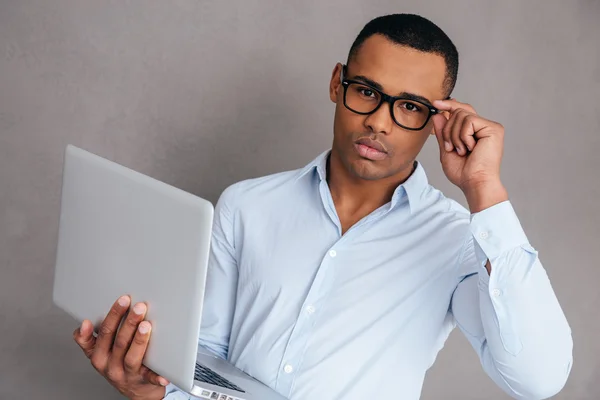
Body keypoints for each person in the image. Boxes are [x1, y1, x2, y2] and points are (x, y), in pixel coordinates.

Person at [73, 13, 573, 400]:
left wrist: (484, 186)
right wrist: (155, 390)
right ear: (338, 82)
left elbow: (536, 378)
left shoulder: (460, 242)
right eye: (366, 92)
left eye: (410, 107)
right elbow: (209, 363)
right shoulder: (247, 205)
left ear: (437, 121)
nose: (380, 122)